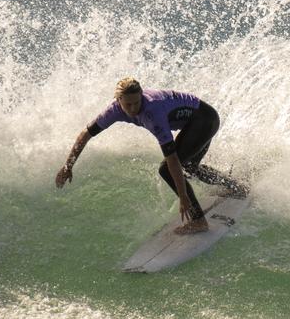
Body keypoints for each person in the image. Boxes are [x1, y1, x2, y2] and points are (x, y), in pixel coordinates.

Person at [55, 77, 247, 235]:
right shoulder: (113, 111)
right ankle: (235, 186)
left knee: (167, 169)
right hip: (194, 123)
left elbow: (172, 160)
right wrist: (68, 165)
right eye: (127, 104)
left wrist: (182, 196)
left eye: (137, 102)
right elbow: (85, 134)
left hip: (205, 121)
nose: (133, 109)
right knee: (189, 167)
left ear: (141, 97)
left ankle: (198, 221)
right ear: (118, 100)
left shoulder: (153, 111)